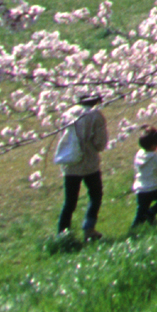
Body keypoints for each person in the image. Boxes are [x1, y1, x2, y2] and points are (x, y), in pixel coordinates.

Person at [51, 93, 110, 239]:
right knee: (95, 195)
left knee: (69, 201)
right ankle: (89, 229)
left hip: (70, 163)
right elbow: (100, 143)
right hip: (89, 163)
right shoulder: (96, 115)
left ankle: (62, 233)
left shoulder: (67, 114)